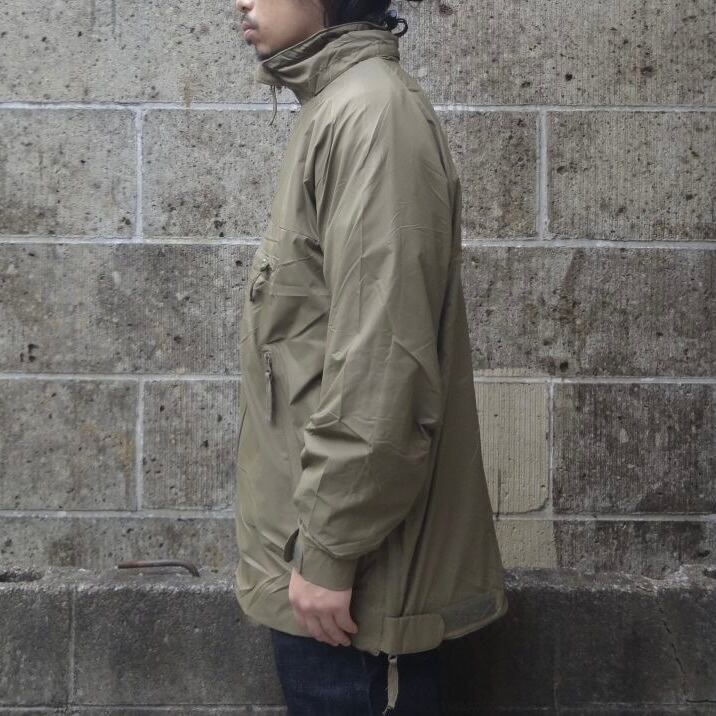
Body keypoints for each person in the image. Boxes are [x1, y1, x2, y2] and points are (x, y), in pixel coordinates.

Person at [233, 0, 509, 713]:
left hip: (355, 594)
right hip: (322, 569)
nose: (242, 1)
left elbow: (385, 363)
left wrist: (329, 552)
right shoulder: (338, 108)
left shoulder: (371, 115)